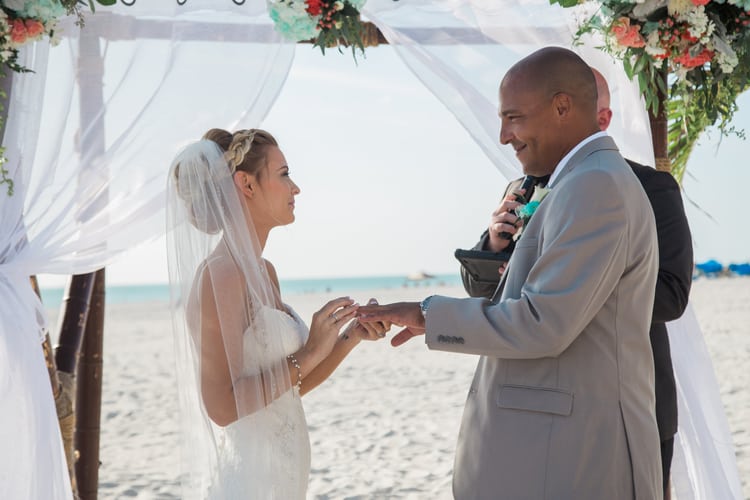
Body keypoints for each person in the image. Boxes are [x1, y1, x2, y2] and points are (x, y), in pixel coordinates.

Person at [359, 47, 663, 498]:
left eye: (513, 117)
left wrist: (428, 314)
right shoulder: (576, 181)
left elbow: (543, 323)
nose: (503, 136)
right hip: (550, 449)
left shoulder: (594, 185)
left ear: (563, 107)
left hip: (567, 455)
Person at [462, 67, 693, 497]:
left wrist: (584, 283)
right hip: (531, 396)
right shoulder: (522, 186)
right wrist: (495, 244)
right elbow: (484, 289)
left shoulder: (651, 187)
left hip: (626, 392)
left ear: (593, 116)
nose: (506, 135)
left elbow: (673, 294)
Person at [166, 128, 389, 499]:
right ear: (247, 185)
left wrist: (349, 336)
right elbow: (222, 406)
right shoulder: (221, 275)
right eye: (284, 174)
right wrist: (310, 350)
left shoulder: (264, 272)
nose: (295, 188)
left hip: (285, 480)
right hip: (251, 484)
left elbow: (289, 389)